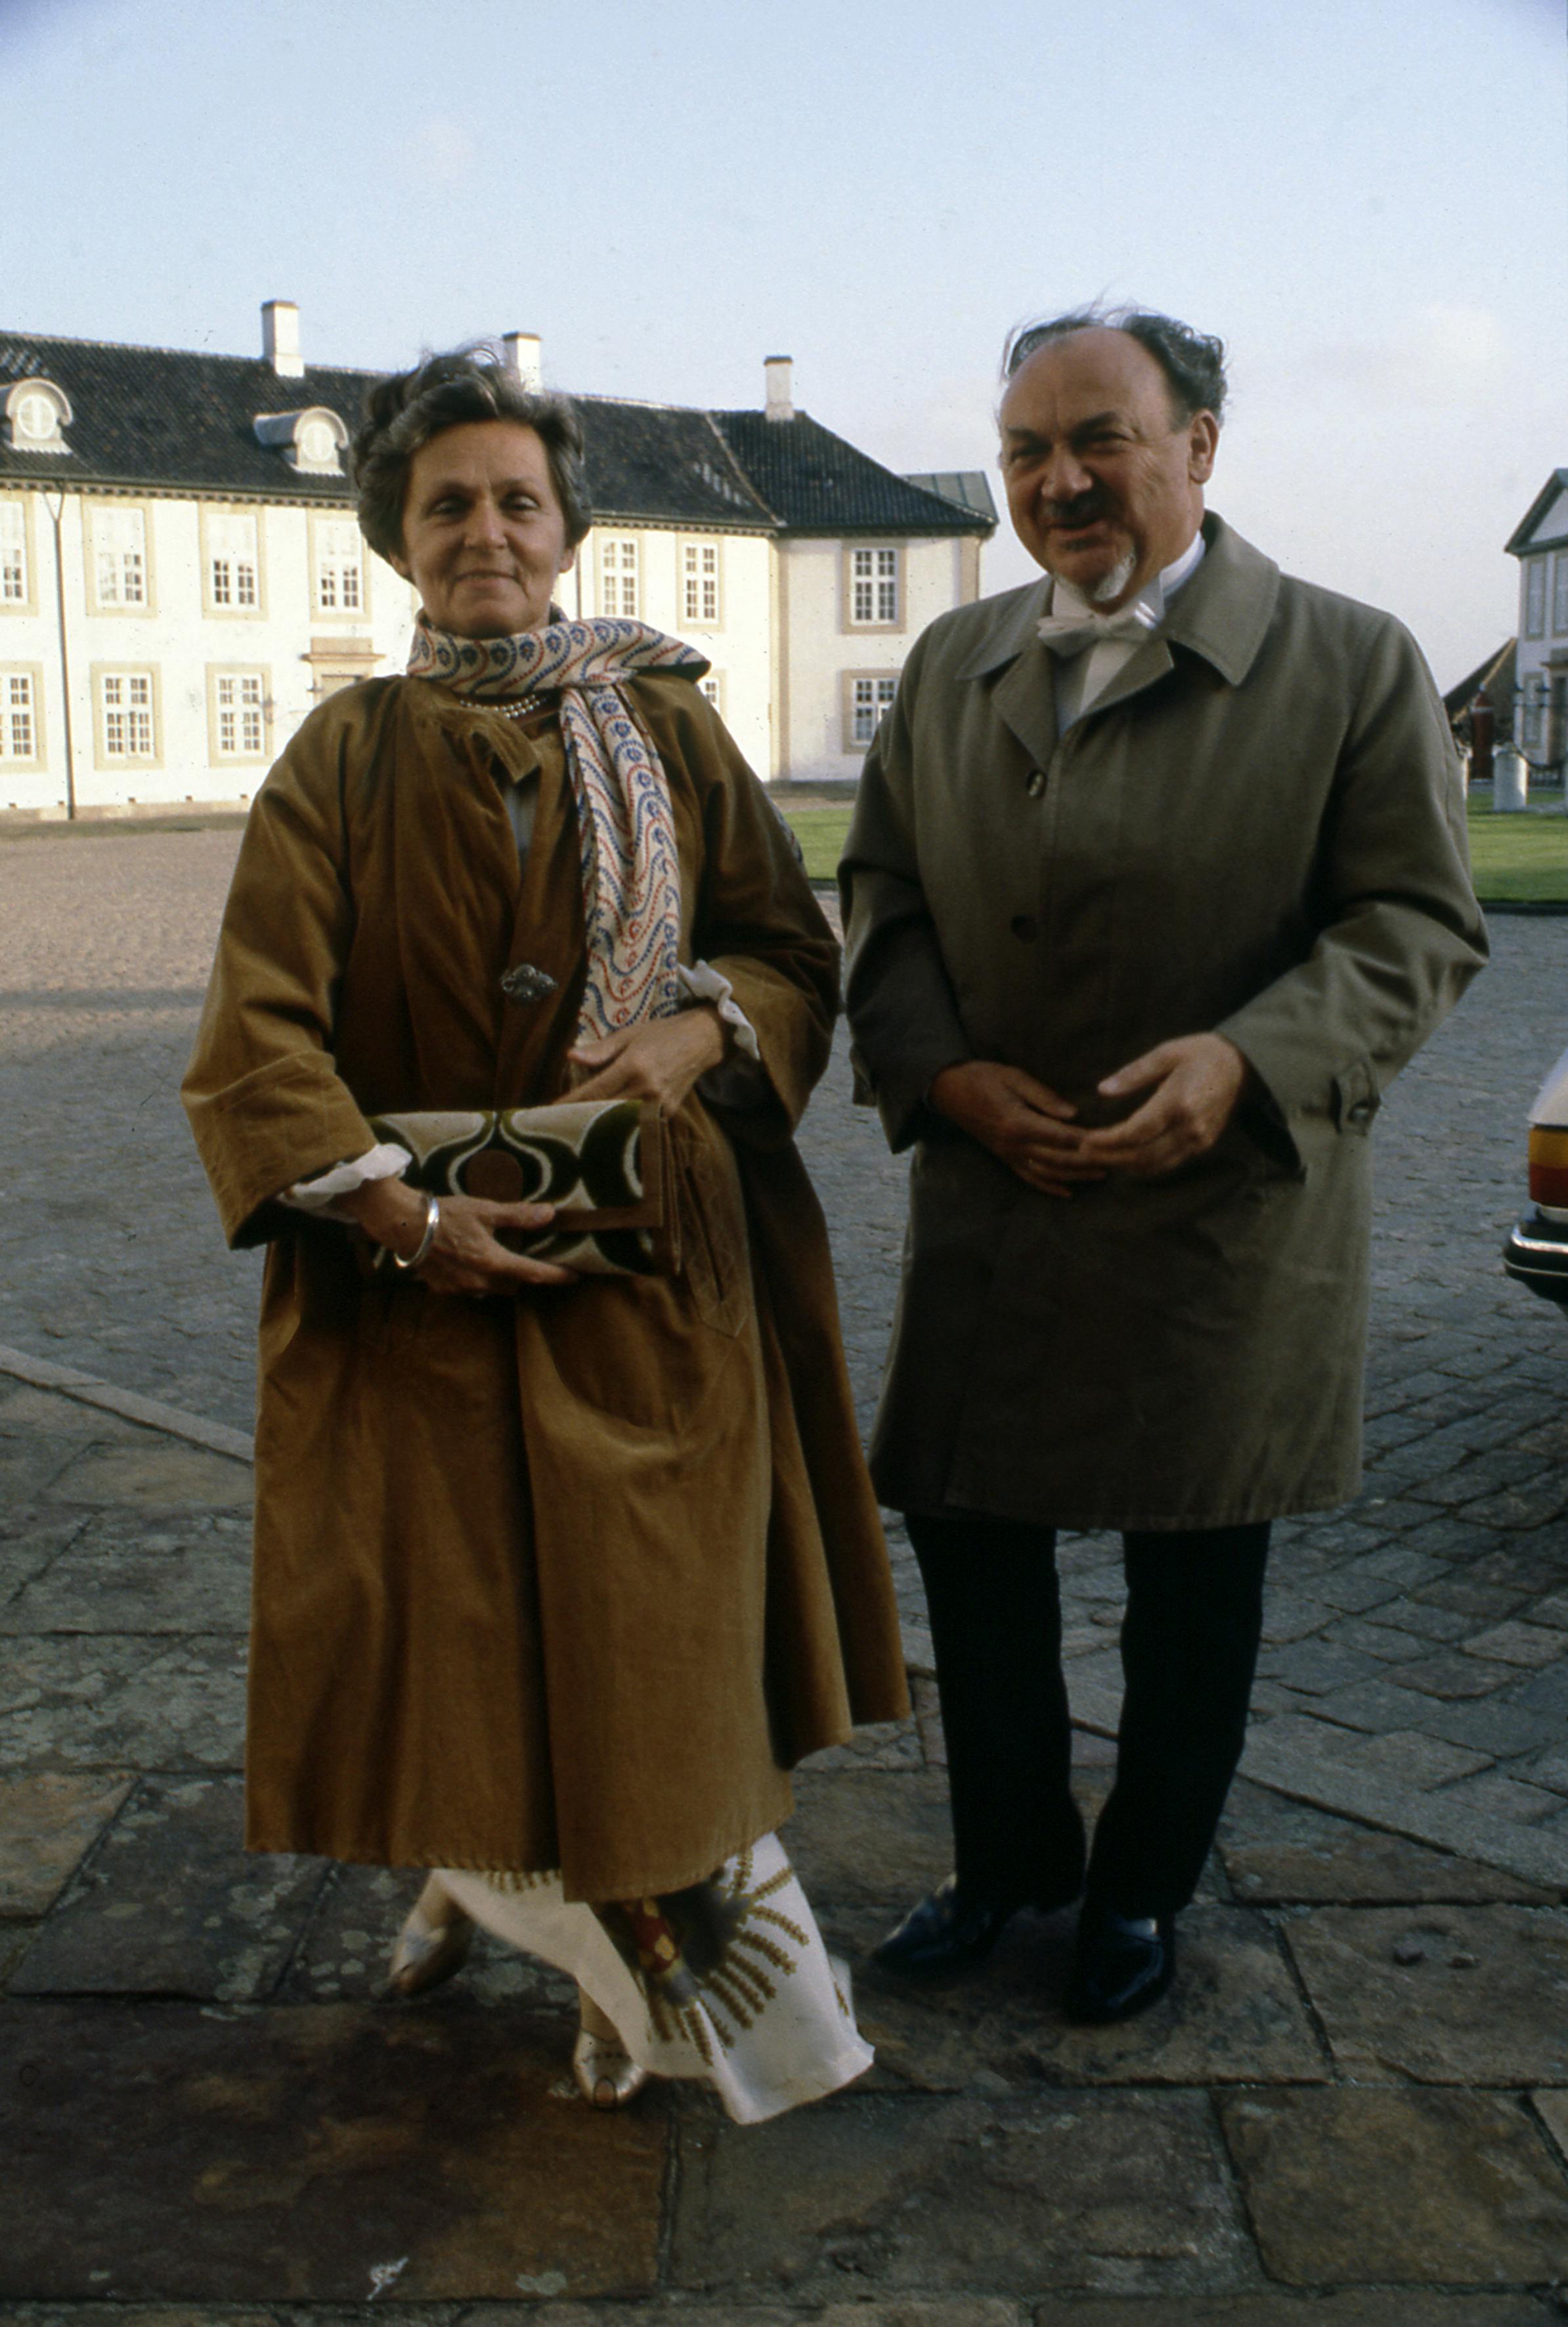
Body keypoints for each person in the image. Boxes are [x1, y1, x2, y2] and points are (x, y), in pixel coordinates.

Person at [183, 347, 907, 2123]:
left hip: (651, 1282)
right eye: (449, 506)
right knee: (473, 1652)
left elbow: (786, 953)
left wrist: (691, 1029)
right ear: (397, 542)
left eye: (517, 500)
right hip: (415, 1288)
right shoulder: (340, 752)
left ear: (569, 527)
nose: (486, 531)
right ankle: (538, 1914)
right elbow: (258, 1028)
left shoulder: (667, 725)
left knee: (650, 1673)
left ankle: (691, 2004)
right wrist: (390, 1208)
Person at [839, 305, 1487, 2023]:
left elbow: (1418, 921)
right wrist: (943, 1076)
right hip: (995, 1203)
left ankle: (1136, 1892)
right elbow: (883, 903)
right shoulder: (949, 663)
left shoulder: (1352, 663)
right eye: (1027, 451)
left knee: (1193, 1572)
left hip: (1222, 1216)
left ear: (1197, 443)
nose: (1061, 482)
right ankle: (1003, 1864)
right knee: (973, 1552)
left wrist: (1245, 1059)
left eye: (1098, 440)